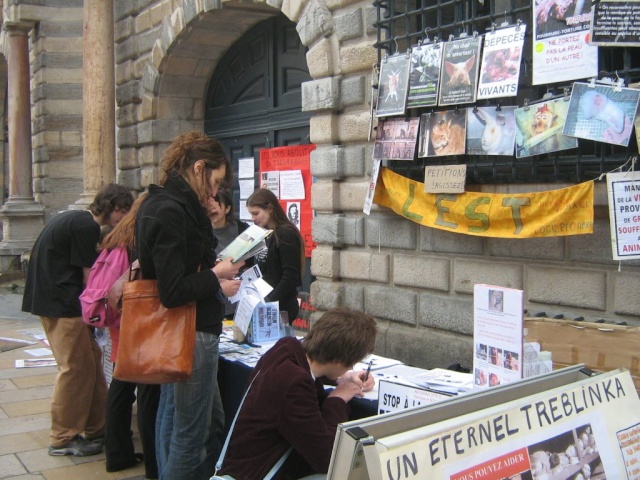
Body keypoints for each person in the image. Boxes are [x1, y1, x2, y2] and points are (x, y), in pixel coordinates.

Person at [135, 131, 243, 480]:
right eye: (214, 181)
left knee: (173, 419)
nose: (214, 192)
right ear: (199, 167)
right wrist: (217, 274)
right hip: (190, 331)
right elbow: (173, 289)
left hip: (182, 330)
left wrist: (215, 278)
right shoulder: (170, 210)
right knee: (190, 434)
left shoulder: (162, 203)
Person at [21, 184, 134, 456]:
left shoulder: (71, 218)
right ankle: (63, 437)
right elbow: (90, 280)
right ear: (114, 207)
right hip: (63, 305)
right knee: (73, 370)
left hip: (53, 301)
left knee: (91, 365)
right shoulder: (86, 226)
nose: (123, 219)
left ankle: (98, 427)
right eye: (123, 213)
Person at [218, 307, 378, 480]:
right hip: (259, 473)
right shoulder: (294, 385)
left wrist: (341, 378)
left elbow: (309, 371)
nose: (351, 367)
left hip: (244, 467)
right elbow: (326, 457)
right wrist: (336, 401)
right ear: (338, 360)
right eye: (351, 363)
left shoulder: (286, 349)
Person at [98, 193, 161, 478]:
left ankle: (117, 453)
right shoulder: (139, 240)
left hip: (120, 321)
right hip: (138, 323)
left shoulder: (116, 236)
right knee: (147, 392)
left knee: (121, 387)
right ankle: (152, 463)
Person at [246, 188, 304, 324]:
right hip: (264, 304)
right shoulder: (265, 233)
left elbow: (290, 277)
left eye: (256, 213)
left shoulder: (285, 234)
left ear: (270, 209)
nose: (253, 219)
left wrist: (268, 302)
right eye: (251, 214)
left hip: (279, 307)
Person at [206, 189, 250, 319]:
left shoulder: (242, 230)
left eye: (218, 205)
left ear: (227, 208)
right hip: (213, 294)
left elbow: (251, 263)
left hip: (238, 297)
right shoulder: (202, 231)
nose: (213, 209)